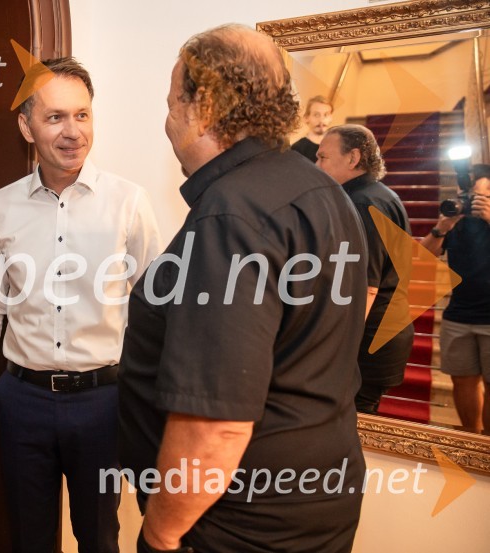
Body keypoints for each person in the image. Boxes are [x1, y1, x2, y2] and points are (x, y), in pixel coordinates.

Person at [118, 25, 367, 553]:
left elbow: (216, 426)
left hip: (233, 522)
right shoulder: (321, 189)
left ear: (202, 106)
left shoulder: (232, 213)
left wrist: (161, 535)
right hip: (318, 498)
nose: (167, 122)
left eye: (170, 104)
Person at [0, 57, 161, 552]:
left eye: (83, 114)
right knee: (29, 537)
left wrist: (153, 399)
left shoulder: (129, 202)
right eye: (55, 117)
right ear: (26, 126)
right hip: (21, 400)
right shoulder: (2, 205)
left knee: (99, 536)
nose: (73, 131)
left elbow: (158, 305)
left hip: (105, 402)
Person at [316, 124, 414, 414]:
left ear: (353, 158)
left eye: (322, 157)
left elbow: (366, 288)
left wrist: (337, 351)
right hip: (384, 332)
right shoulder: (380, 194)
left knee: (354, 428)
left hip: (369, 339)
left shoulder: (362, 202)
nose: (316, 165)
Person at [420, 164, 490, 433]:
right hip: (458, 315)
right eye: (470, 196)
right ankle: (471, 439)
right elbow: (422, 258)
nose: (474, 202)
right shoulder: (456, 222)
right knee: (462, 381)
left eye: (482, 196)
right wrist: (442, 226)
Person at [291, 95, 333, 162]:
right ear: (306, 118)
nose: (321, 120)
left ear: (331, 117)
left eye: (326, 115)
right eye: (316, 115)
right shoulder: (298, 149)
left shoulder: (335, 148)